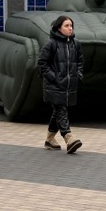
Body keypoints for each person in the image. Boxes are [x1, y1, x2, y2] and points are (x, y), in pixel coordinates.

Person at [37, 15, 83, 154]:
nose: (70, 28)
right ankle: (68, 138)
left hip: (69, 86)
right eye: (66, 26)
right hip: (54, 86)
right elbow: (41, 63)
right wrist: (54, 77)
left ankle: (50, 139)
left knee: (58, 112)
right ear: (59, 28)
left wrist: (78, 76)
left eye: (71, 26)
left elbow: (80, 62)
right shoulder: (51, 44)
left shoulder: (76, 44)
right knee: (61, 111)